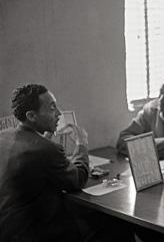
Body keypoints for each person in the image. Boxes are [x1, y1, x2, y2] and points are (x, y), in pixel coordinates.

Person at [0, 84, 134, 242]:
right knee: (121, 225)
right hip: (38, 233)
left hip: (9, 229)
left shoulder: (4, 136)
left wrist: (45, 138)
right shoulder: (46, 149)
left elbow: (32, 160)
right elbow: (78, 179)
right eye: (52, 108)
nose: (58, 113)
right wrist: (82, 143)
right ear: (31, 116)